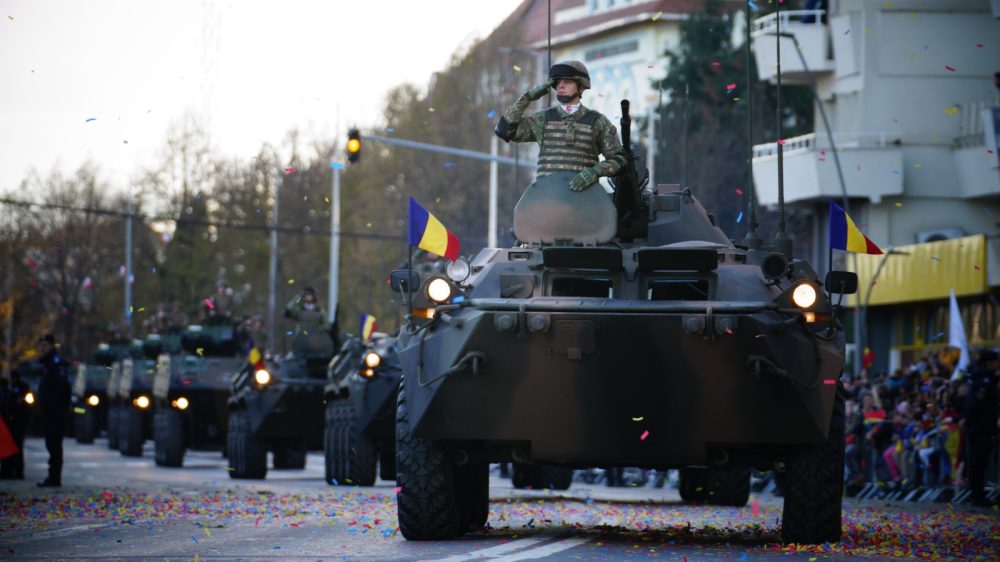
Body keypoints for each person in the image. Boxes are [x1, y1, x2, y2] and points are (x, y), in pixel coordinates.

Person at [494, 60, 626, 192]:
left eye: (567, 81)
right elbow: (504, 130)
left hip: (584, 200)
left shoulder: (598, 121)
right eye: (557, 82)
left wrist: (595, 172)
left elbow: (620, 159)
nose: (561, 86)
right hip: (546, 198)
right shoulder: (543, 119)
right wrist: (528, 98)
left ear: (581, 87)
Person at [963, 350, 999, 507]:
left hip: (979, 427)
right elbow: (978, 405)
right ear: (989, 363)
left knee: (979, 462)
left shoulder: (981, 379)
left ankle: (977, 494)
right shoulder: (983, 381)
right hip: (981, 428)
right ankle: (978, 495)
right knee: (979, 462)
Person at [35, 334, 71, 487]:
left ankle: (54, 477)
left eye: (44, 346)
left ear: (51, 346)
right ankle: (53, 476)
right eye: (40, 346)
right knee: (51, 444)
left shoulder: (56, 364)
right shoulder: (49, 364)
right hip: (49, 412)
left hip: (55, 412)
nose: (42, 349)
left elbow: (64, 389)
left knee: (54, 444)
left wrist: (59, 409)